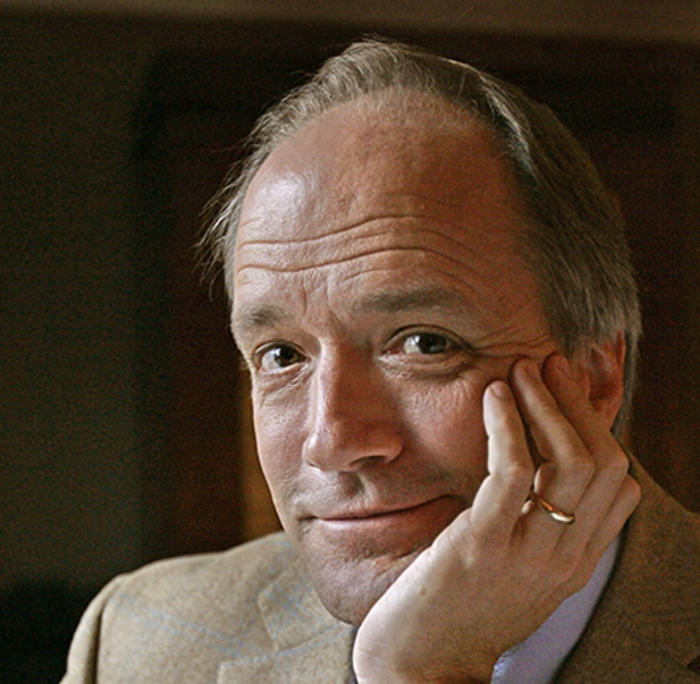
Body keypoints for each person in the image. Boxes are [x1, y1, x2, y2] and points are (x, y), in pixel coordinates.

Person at [61, 40, 700, 682]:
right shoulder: (136, 641)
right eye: (281, 355)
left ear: (594, 378)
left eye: (424, 343)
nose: (332, 441)